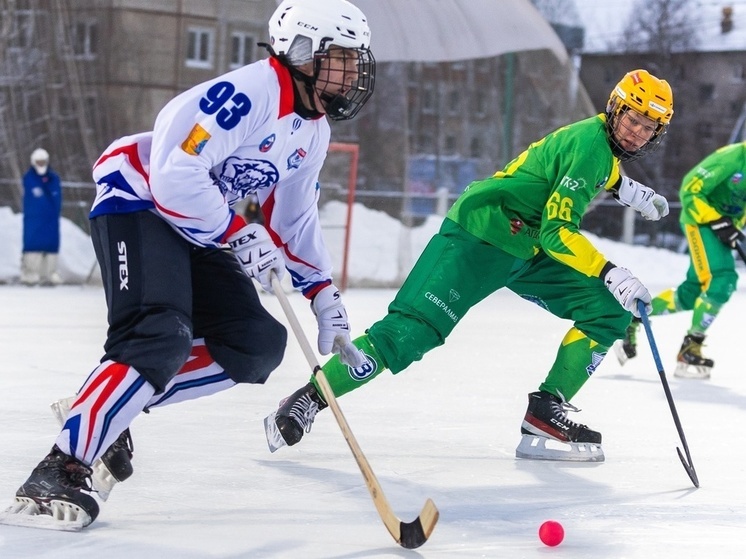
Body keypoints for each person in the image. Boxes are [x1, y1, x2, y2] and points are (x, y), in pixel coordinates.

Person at [3, 0, 374, 529]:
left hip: (200, 222)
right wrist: (234, 232)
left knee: (255, 345)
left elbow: (292, 219)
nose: (354, 73)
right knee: (160, 333)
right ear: (301, 54)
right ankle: (57, 471)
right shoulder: (249, 94)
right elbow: (175, 175)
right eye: (341, 59)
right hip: (140, 200)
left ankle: (105, 406)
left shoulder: (312, 131)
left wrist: (321, 293)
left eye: (356, 60)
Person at [264, 69, 674, 464]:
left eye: (648, 128)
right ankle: (309, 397)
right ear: (615, 109)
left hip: (524, 247)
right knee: (409, 334)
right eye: (633, 119)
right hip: (480, 236)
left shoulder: (601, 150)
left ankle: (545, 412)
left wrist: (629, 191)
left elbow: (592, 174)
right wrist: (608, 271)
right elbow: (558, 230)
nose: (636, 132)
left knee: (608, 311)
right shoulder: (591, 146)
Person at [615, 141, 746, 379]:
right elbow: (690, 189)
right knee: (722, 280)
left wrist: (733, 228)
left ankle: (633, 317)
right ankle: (690, 348)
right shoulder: (732, 157)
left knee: (691, 294)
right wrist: (717, 220)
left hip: (726, 228)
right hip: (701, 220)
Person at [20, 148, 63, 286]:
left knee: (50, 247)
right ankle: (30, 275)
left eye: (43, 161)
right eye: (38, 162)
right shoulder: (29, 178)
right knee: (33, 245)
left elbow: (56, 197)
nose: (40, 164)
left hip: (50, 219)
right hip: (34, 219)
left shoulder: (53, 178)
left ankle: (48, 275)